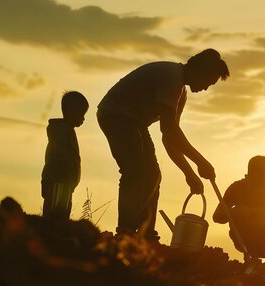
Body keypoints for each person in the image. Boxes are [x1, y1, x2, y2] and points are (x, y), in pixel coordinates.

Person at [97, 49, 229, 241]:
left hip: (135, 123)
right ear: (199, 70)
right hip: (117, 115)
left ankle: (146, 232)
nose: (206, 88)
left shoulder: (180, 92)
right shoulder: (171, 77)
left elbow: (169, 138)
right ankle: (126, 229)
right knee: (135, 170)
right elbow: (170, 131)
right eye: (208, 82)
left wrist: (189, 174)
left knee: (153, 174)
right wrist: (200, 161)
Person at [213, 156, 265, 268]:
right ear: (248, 175)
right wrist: (234, 212)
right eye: (256, 181)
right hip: (247, 241)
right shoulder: (237, 188)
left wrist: (252, 212)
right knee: (237, 216)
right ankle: (251, 260)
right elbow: (217, 217)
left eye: (264, 182)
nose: (260, 188)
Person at [41, 91, 88, 220]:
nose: (83, 119)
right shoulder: (63, 130)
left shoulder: (66, 130)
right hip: (59, 181)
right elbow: (58, 153)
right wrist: (68, 170)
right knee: (55, 216)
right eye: (81, 115)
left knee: (62, 215)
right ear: (72, 112)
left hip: (65, 183)